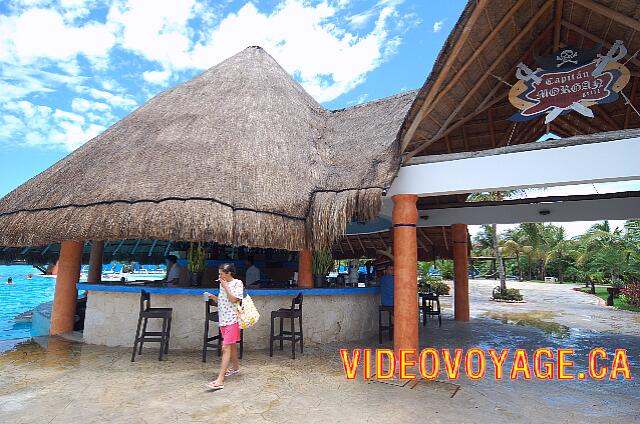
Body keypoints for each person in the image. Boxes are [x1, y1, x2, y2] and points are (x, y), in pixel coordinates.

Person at [205, 263, 244, 391]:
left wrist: (226, 286)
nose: (219, 276)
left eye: (221, 274)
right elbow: (223, 301)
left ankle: (220, 380)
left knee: (225, 347)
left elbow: (233, 300)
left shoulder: (237, 283)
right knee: (231, 345)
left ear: (229, 273)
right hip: (223, 320)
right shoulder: (222, 285)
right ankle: (236, 368)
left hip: (233, 319)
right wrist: (213, 297)